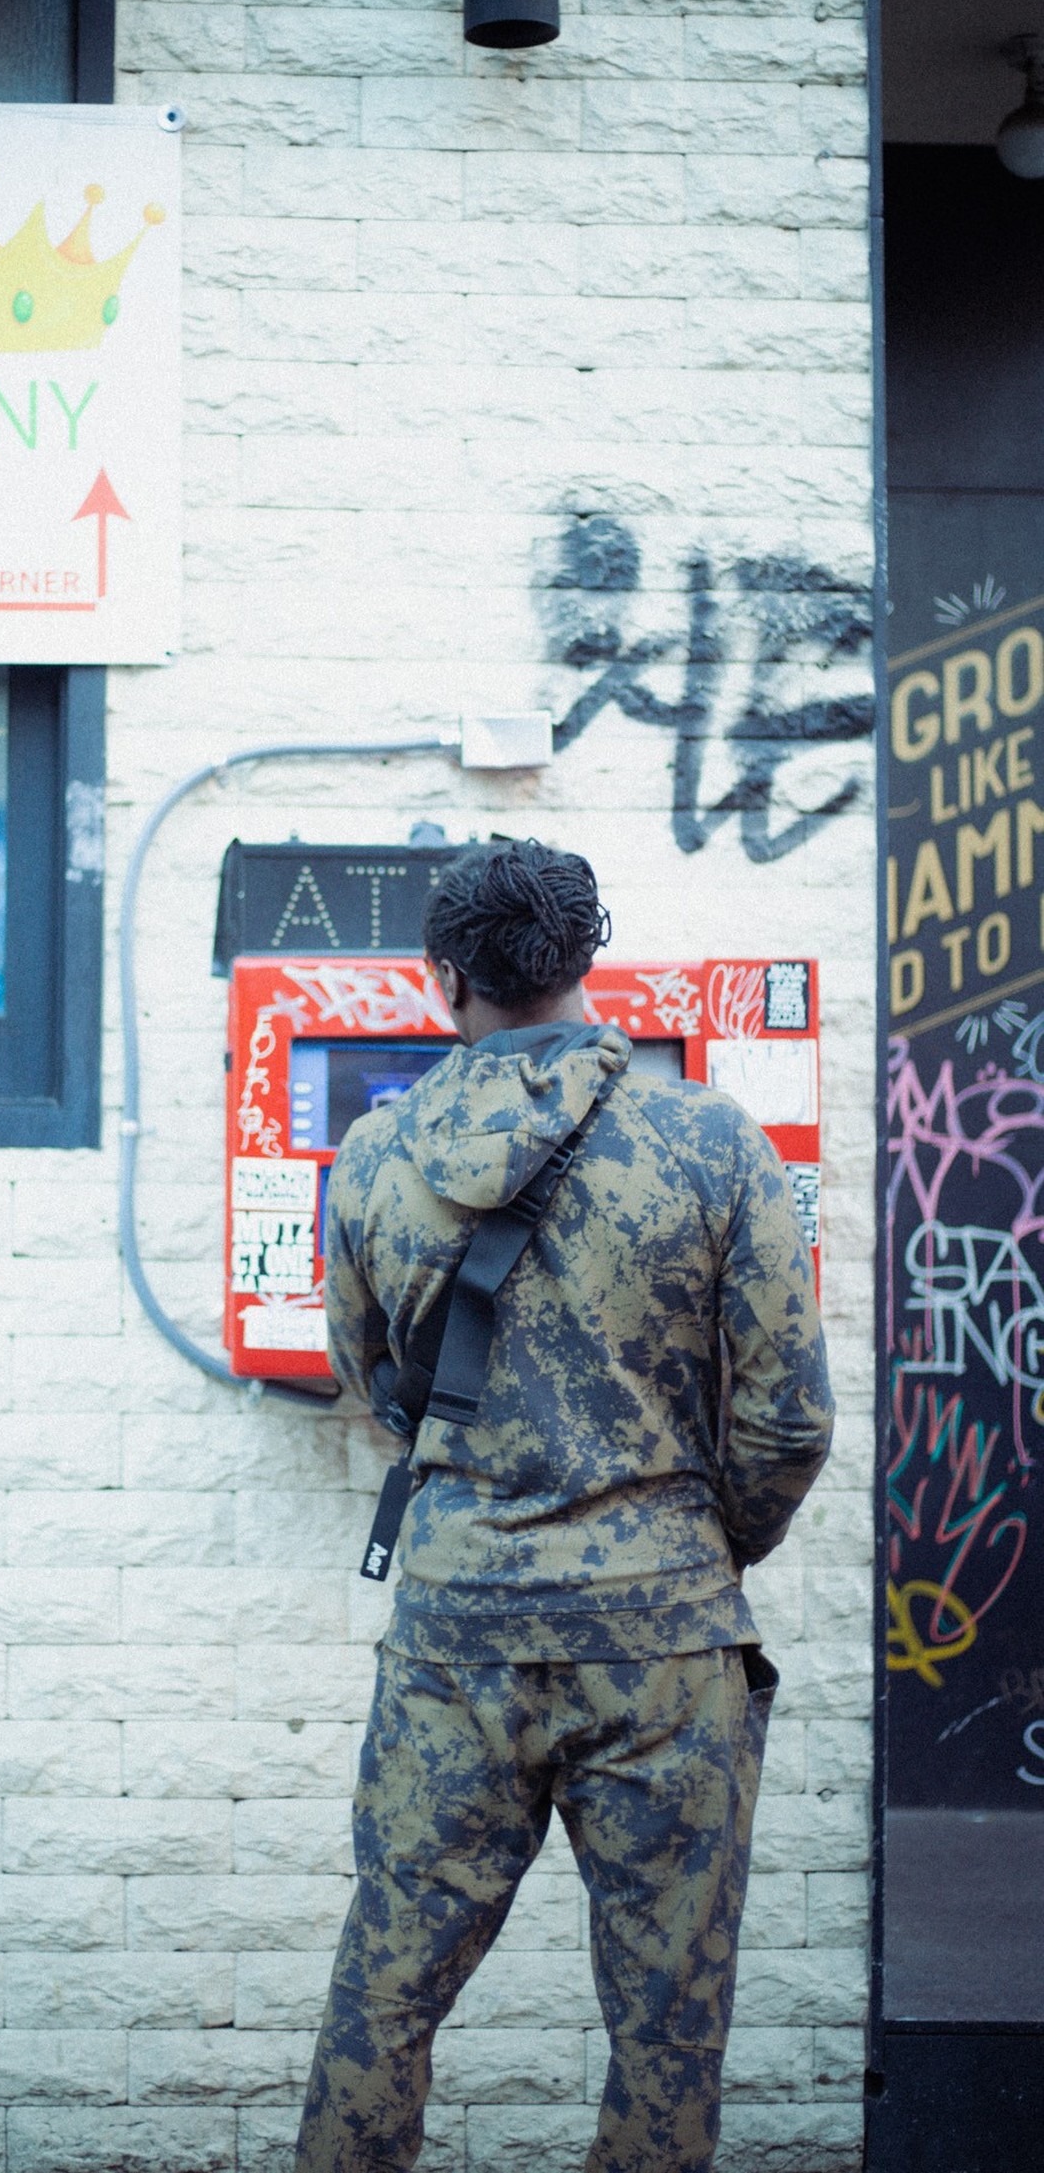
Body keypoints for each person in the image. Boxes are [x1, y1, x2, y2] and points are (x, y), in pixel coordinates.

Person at [295, 838, 835, 2173]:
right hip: (665, 1645)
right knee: (665, 2031)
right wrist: (698, 1547)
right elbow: (789, 1418)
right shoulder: (712, 1141)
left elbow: (375, 1385)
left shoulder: (371, 1158)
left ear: (441, 980)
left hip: (455, 1633)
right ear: (590, 960)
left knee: (387, 1994)